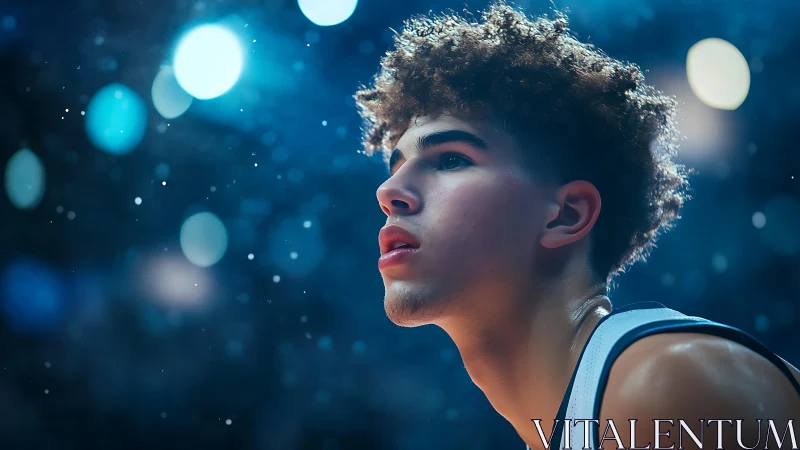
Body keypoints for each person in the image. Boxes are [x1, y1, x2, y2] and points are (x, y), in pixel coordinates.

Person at [353, 2, 800, 449]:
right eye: (396, 166)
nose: (389, 191)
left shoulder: (664, 385)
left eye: (451, 160)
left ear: (567, 214)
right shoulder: (603, 410)